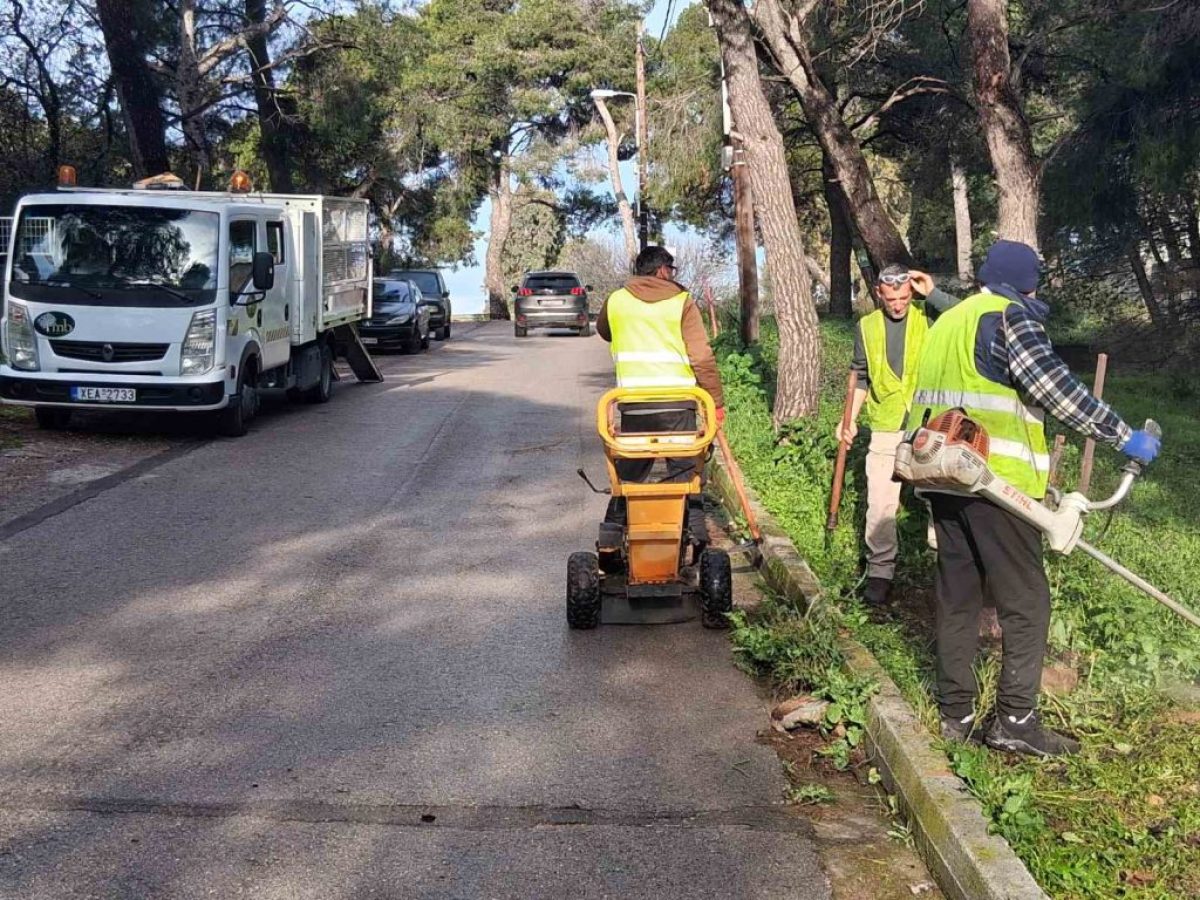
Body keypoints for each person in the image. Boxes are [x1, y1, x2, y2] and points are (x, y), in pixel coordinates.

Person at [909, 239, 1160, 757]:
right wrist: (1122, 435)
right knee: (1026, 602)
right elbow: (1053, 388)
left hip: (940, 475)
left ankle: (954, 715)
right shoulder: (1009, 316)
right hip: (994, 483)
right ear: (1027, 282)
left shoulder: (948, 322)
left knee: (959, 597)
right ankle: (1016, 723)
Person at [838, 265, 958, 606]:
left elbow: (965, 315)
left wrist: (931, 292)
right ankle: (880, 572)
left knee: (940, 497)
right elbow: (860, 376)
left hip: (929, 422)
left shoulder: (928, 317)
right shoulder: (866, 327)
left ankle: (945, 570)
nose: (898, 305)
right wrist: (848, 419)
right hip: (886, 424)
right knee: (880, 501)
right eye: (891, 299)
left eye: (904, 298)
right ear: (879, 294)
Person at [596, 246, 725, 554]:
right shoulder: (682, 302)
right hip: (678, 405)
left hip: (633, 407)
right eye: (672, 270)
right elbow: (702, 356)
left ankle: (612, 540)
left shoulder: (616, 300)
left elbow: (604, 331)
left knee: (628, 480)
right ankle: (696, 538)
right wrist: (715, 402)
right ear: (663, 270)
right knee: (686, 476)